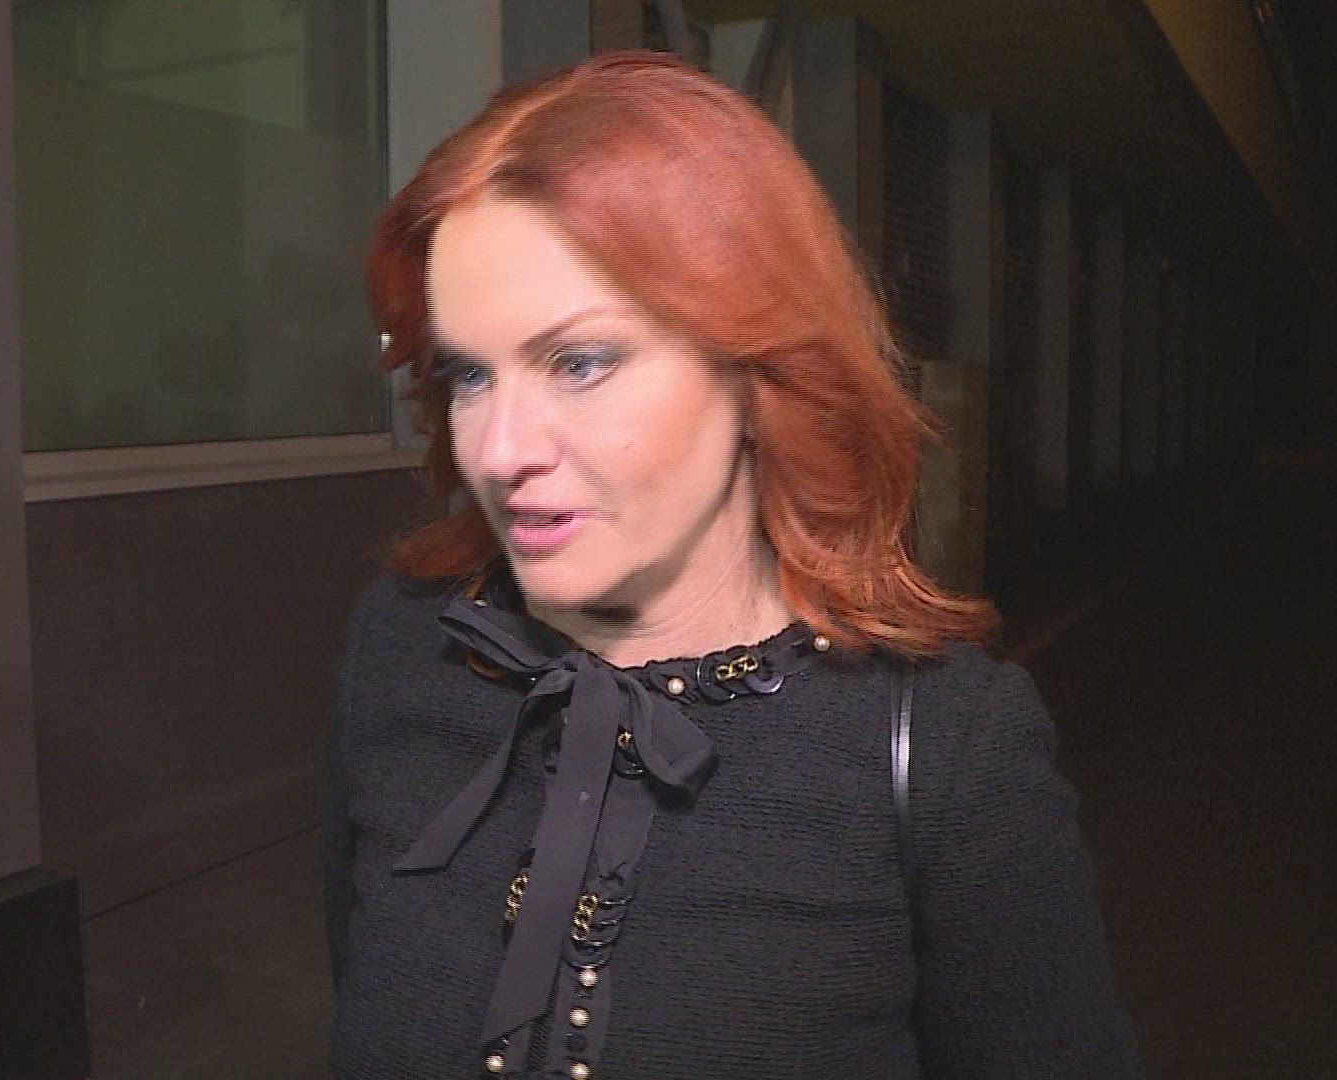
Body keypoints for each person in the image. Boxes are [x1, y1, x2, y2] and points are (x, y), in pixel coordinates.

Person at [323, 52, 1141, 1077]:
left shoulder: (944, 751)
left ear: (758, 370)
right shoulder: (403, 649)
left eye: (579, 362)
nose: (499, 450)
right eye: (468, 374)